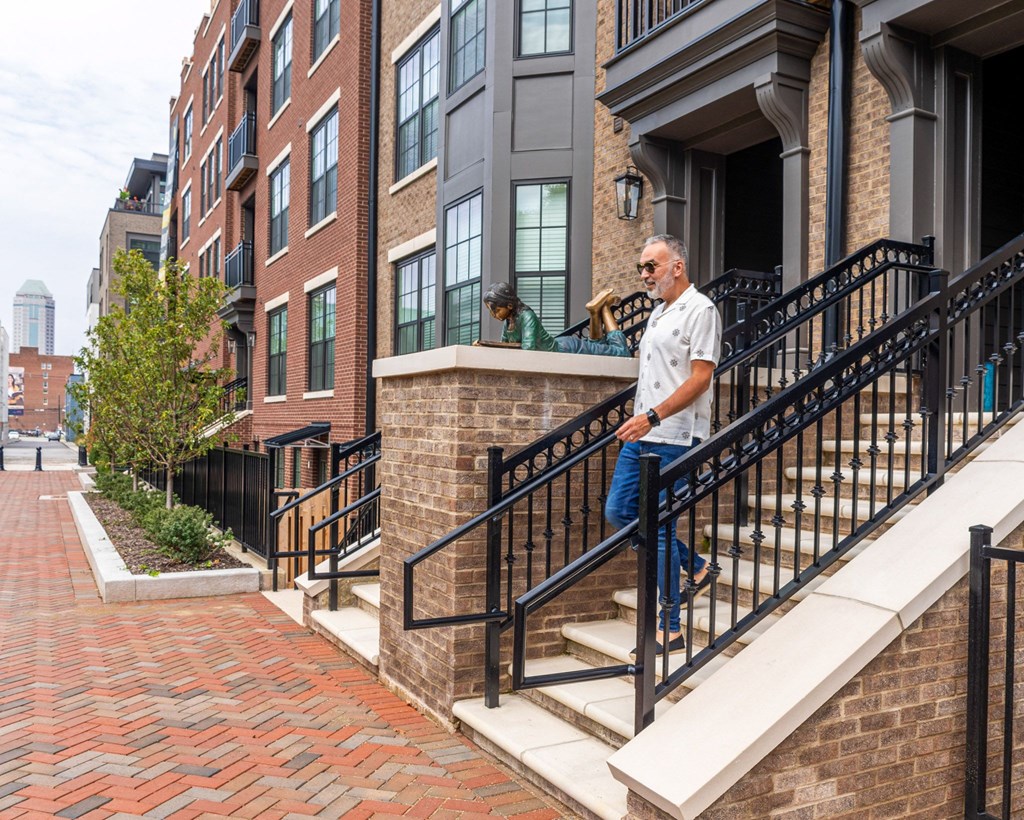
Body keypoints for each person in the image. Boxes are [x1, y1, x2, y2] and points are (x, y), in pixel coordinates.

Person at [604, 234, 722, 655]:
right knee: (619, 511)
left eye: (650, 266)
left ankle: (669, 629)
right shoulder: (656, 313)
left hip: (676, 435)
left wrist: (653, 415)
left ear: (677, 266)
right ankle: (695, 564)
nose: (644, 275)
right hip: (644, 431)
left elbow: (700, 377)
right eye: (641, 267)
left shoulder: (702, 310)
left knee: (662, 526)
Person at [480, 282, 631, 357]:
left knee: (621, 352)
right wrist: (486, 345)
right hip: (561, 344)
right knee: (597, 344)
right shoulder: (508, 322)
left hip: (568, 348)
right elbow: (506, 348)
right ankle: (597, 310)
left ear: (510, 305)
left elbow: (528, 349)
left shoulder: (527, 316)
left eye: (497, 310)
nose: (494, 315)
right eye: (491, 312)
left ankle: (602, 308)